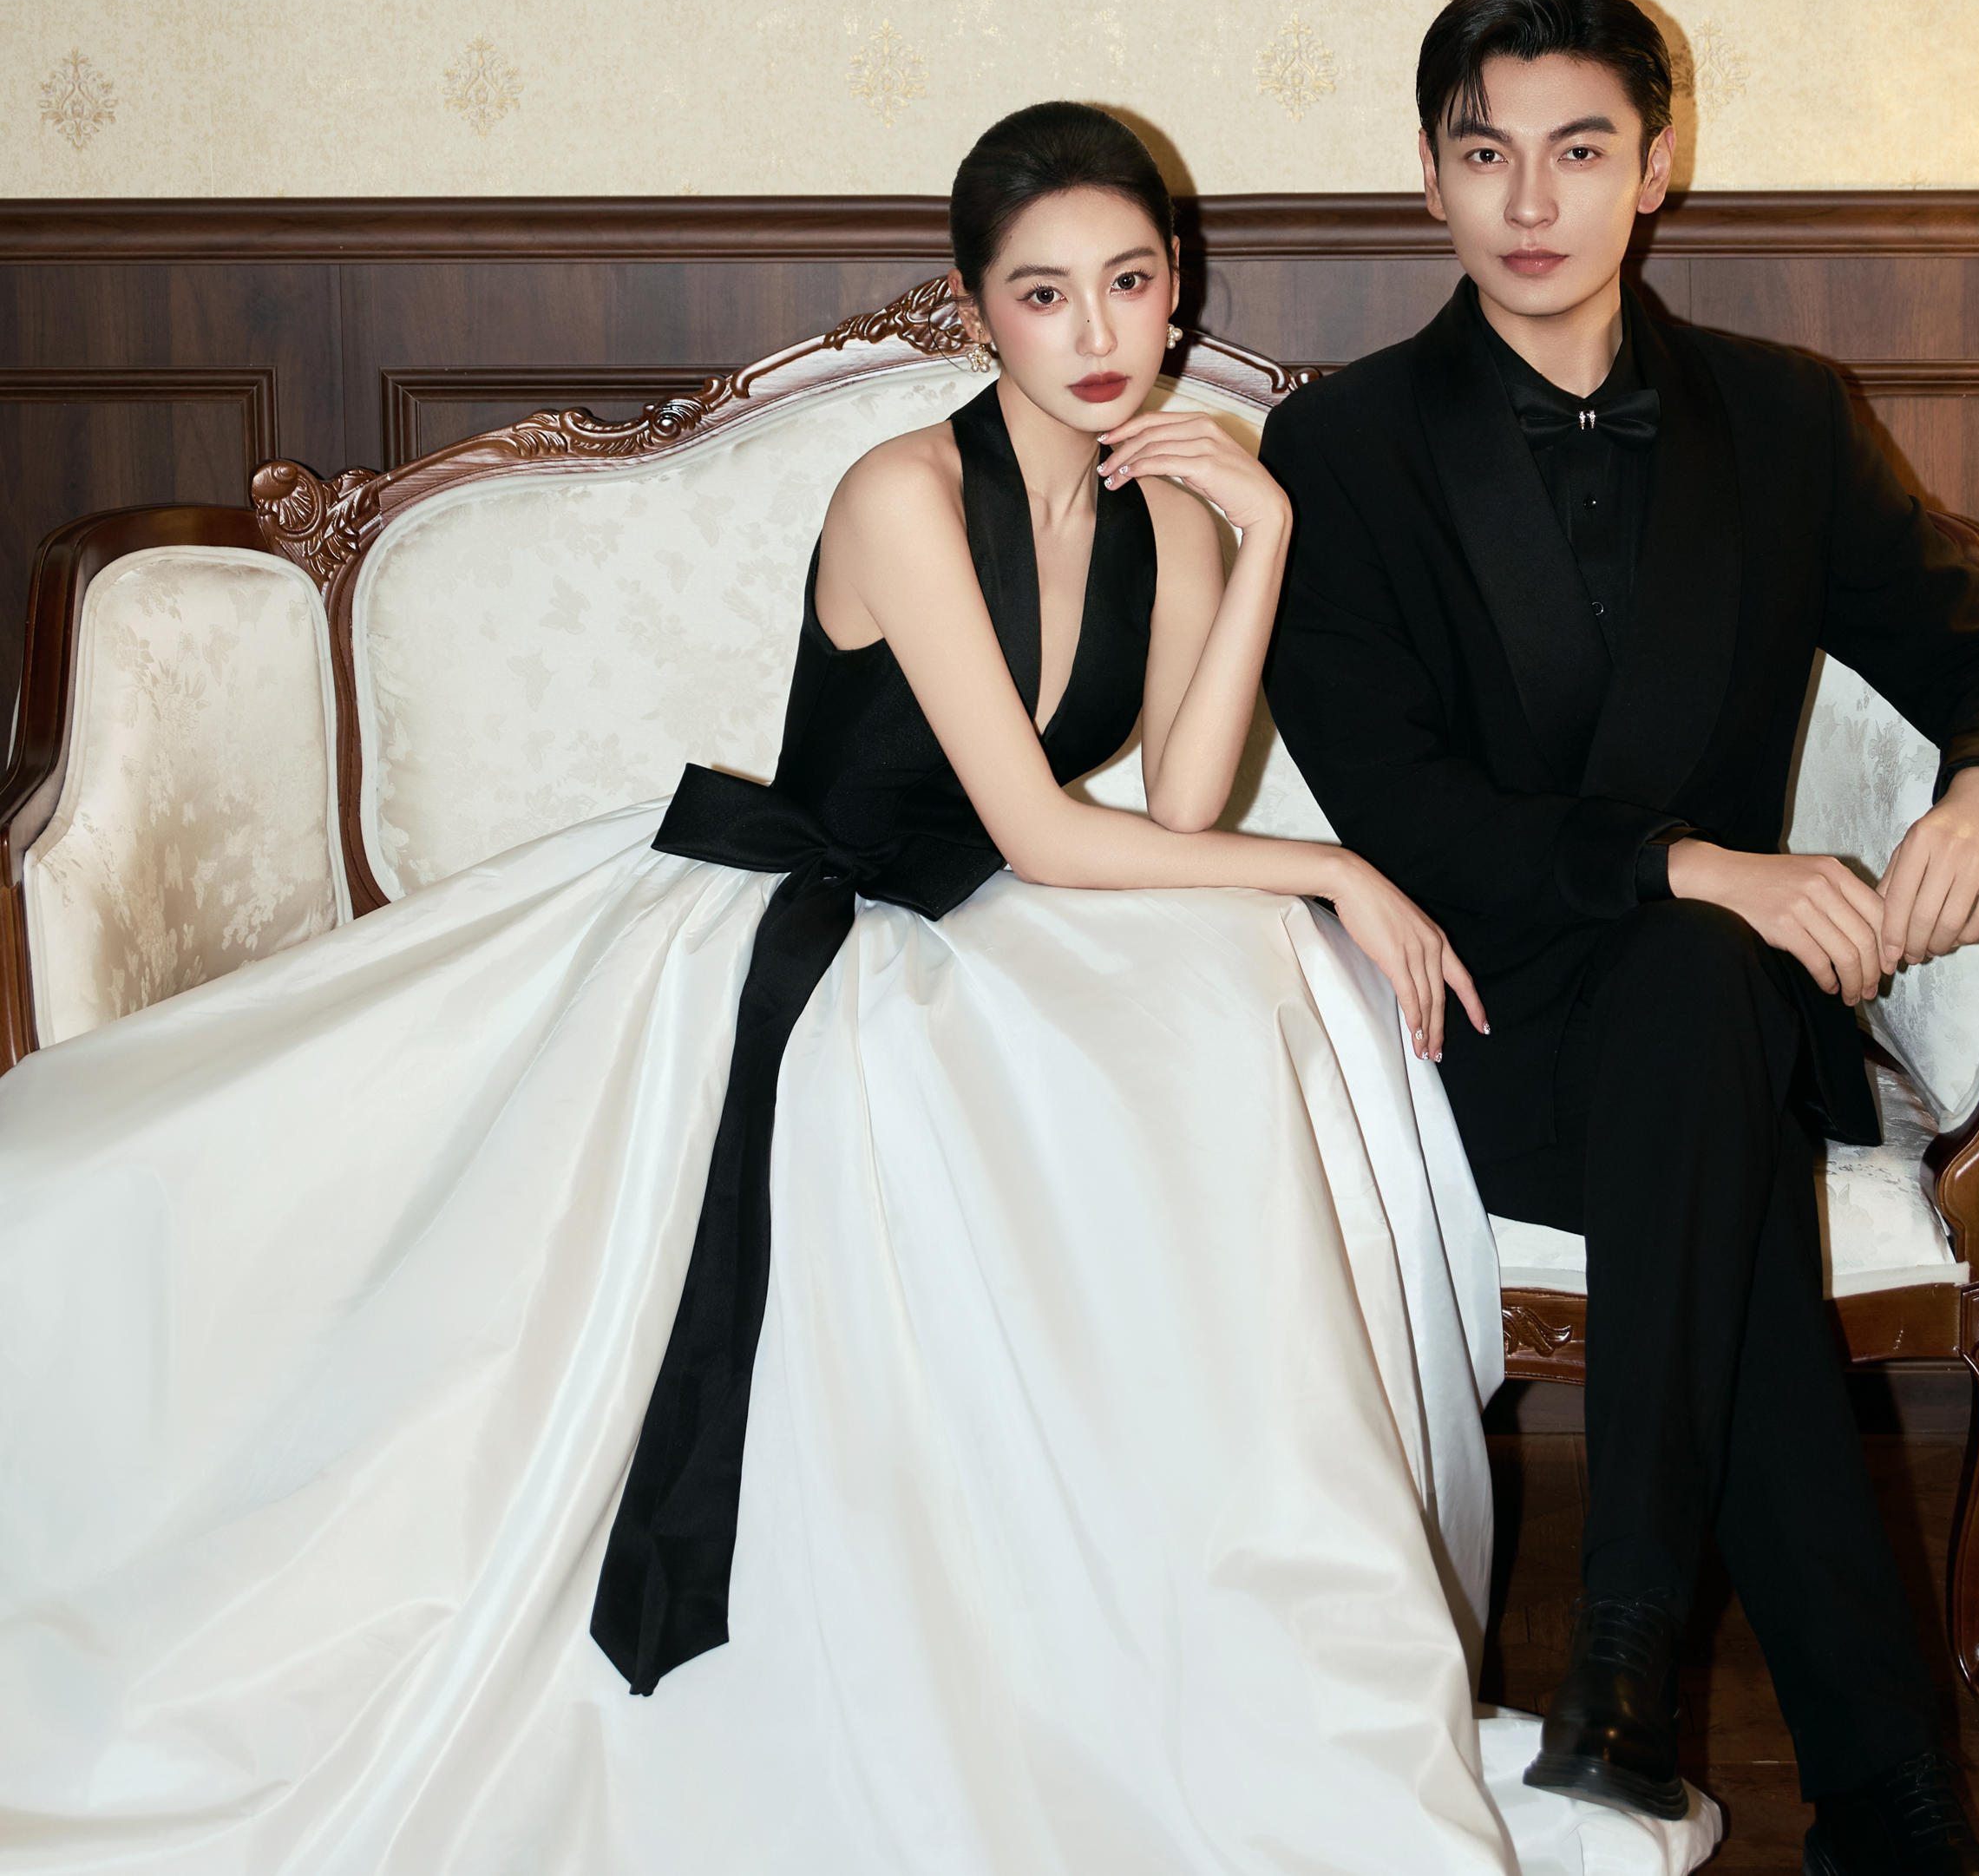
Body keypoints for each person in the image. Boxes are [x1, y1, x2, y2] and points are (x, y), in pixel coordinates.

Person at [0, 102, 1717, 1874]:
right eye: (1043, 295)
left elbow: (1184, 806)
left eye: (1131, 282)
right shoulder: (902, 495)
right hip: (796, 927)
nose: (1098, 331)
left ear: (1178, 286)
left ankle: (1158, 1654)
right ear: (976, 315)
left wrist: (1258, 532)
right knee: (1216, 967)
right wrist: (1339, 868)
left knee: (1227, 988)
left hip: (977, 916)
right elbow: (1043, 830)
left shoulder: (1171, 493)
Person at [1258, 0, 1979, 1876]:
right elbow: (1399, 801)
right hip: (1476, 1027)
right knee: (1707, 1030)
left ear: (1657, 165)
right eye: (1484, 154)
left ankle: (1633, 1661)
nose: (1528, 200)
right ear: (1428, 177)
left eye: (1578, 149)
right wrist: (1693, 867)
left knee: (1699, 1004)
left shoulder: (1785, 418)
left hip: (1698, 1026)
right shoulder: (1345, 447)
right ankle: (1884, 1800)